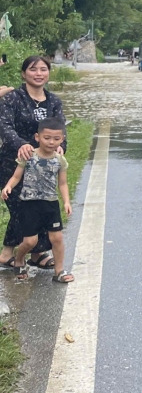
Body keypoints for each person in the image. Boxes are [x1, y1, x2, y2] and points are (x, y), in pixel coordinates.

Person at [0, 55, 68, 270]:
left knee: (38, 208)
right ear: (23, 73)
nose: (38, 74)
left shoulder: (53, 101)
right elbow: (5, 126)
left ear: (48, 73)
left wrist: (60, 148)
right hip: (14, 162)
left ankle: (31, 253)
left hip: (44, 168)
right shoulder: (12, 98)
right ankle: (22, 253)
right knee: (20, 208)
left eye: (43, 69)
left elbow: (61, 130)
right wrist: (22, 144)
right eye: (33, 69)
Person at [4, 119, 72, 283]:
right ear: (37, 137)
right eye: (47, 137)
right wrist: (8, 187)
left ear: (62, 139)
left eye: (56, 139)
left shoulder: (60, 160)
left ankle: (59, 271)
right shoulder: (28, 156)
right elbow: (16, 176)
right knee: (30, 241)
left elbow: (62, 183)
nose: (51, 142)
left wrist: (66, 202)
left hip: (50, 203)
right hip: (29, 204)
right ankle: (19, 259)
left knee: (57, 239)